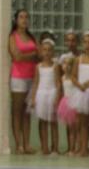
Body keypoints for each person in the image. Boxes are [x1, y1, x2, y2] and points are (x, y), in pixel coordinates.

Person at [7, 10, 38, 154]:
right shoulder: (13, 37)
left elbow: (39, 55)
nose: (24, 20)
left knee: (27, 112)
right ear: (16, 20)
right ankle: (18, 144)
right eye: (21, 17)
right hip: (18, 77)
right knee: (17, 110)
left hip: (31, 77)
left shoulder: (31, 37)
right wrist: (31, 55)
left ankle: (27, 144)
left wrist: (27, 56)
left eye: (26, 17)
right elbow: (16, 57)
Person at [28, 38, 60, 156]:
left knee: (53, 122)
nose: (47, 53)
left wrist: (57, 97)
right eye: (44, 50)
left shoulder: (55, 66)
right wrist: (33, 97)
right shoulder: (38, 66)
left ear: (53, 52)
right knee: (42, 122)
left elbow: (58, 83)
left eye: (49, 50)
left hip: (51, 94)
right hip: (41, 95)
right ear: (41, 51)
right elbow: (36, 82)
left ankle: (55, 148)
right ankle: (44, 147)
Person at [56, 54, 81, 156]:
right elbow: (62, 91)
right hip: (66, 104)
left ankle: (79, 148)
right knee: (70, 129)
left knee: (77, 129)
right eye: (65, 63)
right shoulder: (62, 78)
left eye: (70, 64)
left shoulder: (75, 78)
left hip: (75, 103)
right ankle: (71, 148)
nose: (67, 66)